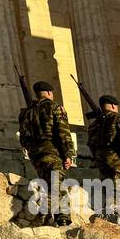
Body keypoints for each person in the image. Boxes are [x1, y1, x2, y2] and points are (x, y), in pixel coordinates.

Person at [18, 80, 75, 224]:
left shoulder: (25, 113)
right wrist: (68, 154)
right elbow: (63, 133)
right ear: (49, 93)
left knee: (48, 185)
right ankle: (61, 218)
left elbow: (23, 137)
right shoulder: (55, 107)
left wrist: (32, 150)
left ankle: (48, 216)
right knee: (58, 185)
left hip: (36, 155)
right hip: (52, 151)